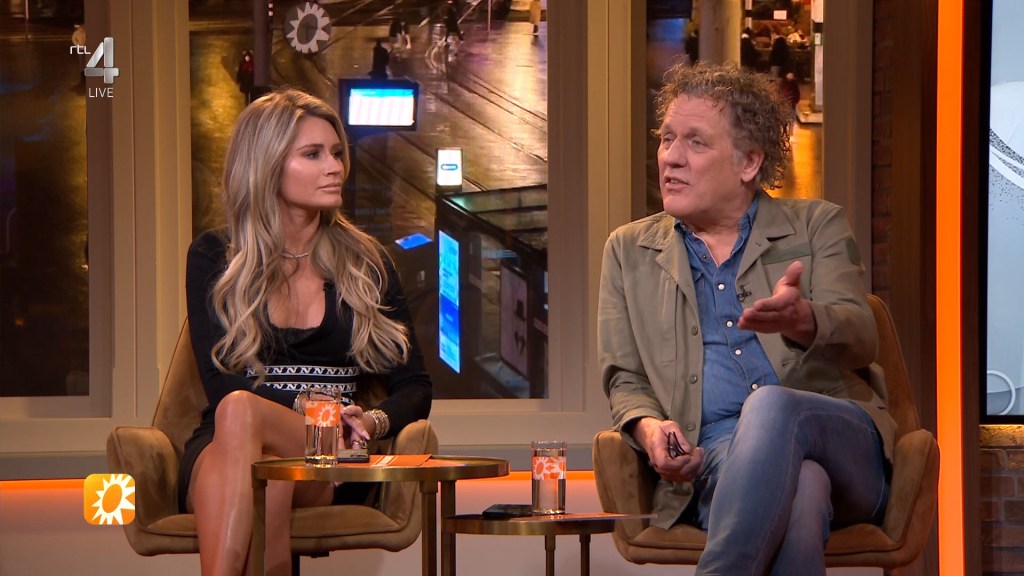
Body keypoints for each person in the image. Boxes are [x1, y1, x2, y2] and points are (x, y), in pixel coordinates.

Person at [598, 62, 894, 575]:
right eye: (667, 138)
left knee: (772, 405)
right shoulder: (629, 251)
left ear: (749, 162)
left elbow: (862, 337)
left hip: (840, 439)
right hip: (718, 456)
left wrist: (803, 320)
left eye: (695, 142)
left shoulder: (816, 225)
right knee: (804, 489)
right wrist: (650, 429)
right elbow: (626, 377)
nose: (671, 157)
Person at [179, 89, 432, 576]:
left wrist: (371, 422)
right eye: (313, 154)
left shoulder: (366, 262)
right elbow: (220, 383)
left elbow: (415, 387)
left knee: (249, 422)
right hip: (225, 446)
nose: (335, 167)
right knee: (258, 455)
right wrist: (309, 404)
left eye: (336, 153)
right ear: (267, 166)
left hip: (326, 450)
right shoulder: (215, 256)